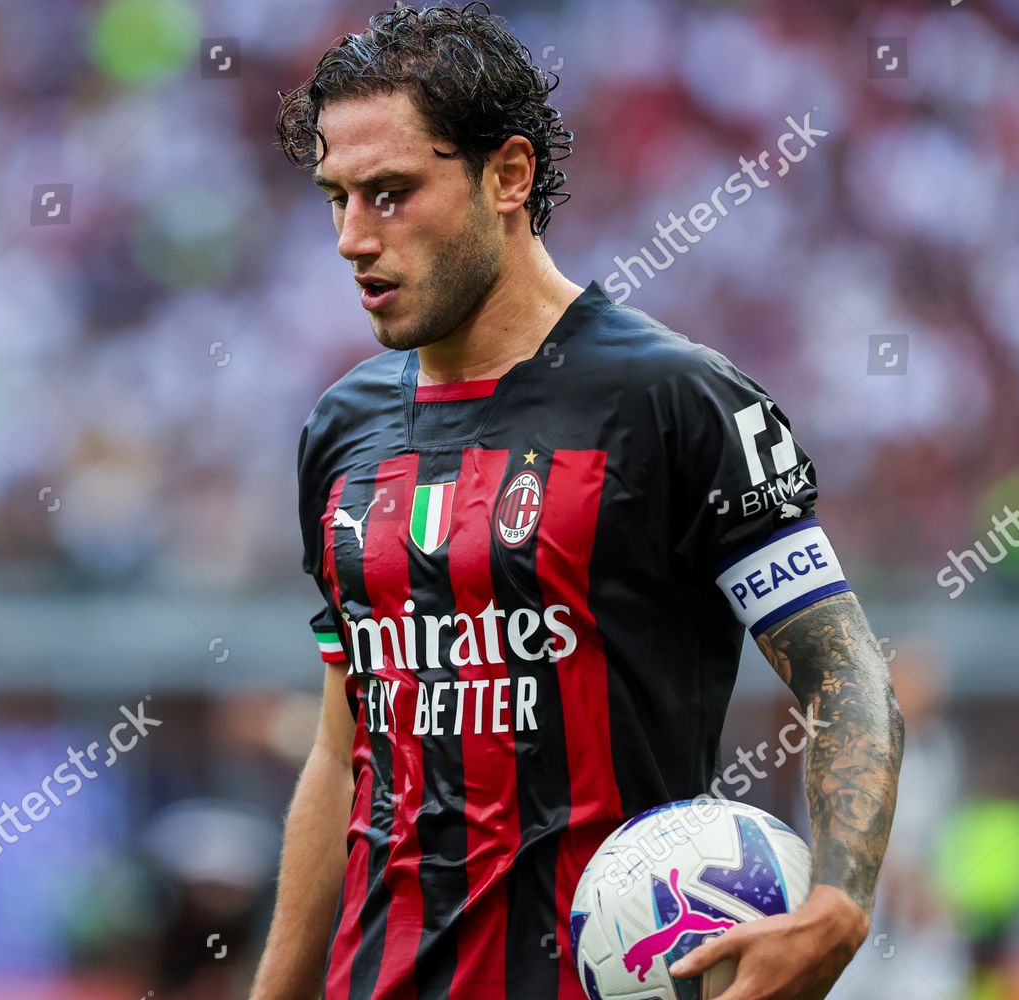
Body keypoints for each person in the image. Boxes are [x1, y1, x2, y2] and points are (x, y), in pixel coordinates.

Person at [254, 5, 904, 999]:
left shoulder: (676, 402)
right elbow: (347, 750)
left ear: (508, 176)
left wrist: (842, 899)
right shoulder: (341, 431)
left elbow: (844, 671)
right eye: (337, 198)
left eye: (390, 194)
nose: (351, 237)